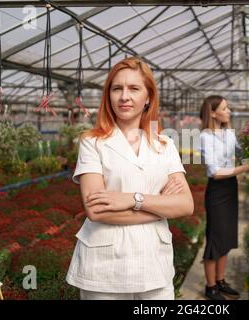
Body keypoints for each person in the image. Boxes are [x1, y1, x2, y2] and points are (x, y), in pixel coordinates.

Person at [66, 57, 194, 300]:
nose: (124, 96)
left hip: (154, 265)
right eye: (117, 88)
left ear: (148, 97)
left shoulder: (164, 145)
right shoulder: (92, 142)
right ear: (108, 96)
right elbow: (97, 211)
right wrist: (161, 207)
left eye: (134, 88)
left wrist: (132, 199)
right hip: (104, 270)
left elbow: (186, 205)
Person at [199, 95, 249, 300]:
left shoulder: (229, 134)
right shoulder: (205, 137)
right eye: (225, 108)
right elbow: (215, 172)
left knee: (226, 237)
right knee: (215, 239)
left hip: (230, 187)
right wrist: (244, 167)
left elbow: (243, 154)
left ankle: (221, 280)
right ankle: (210, 287)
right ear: (213, 112)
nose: (229, 112)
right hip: (217, 190)